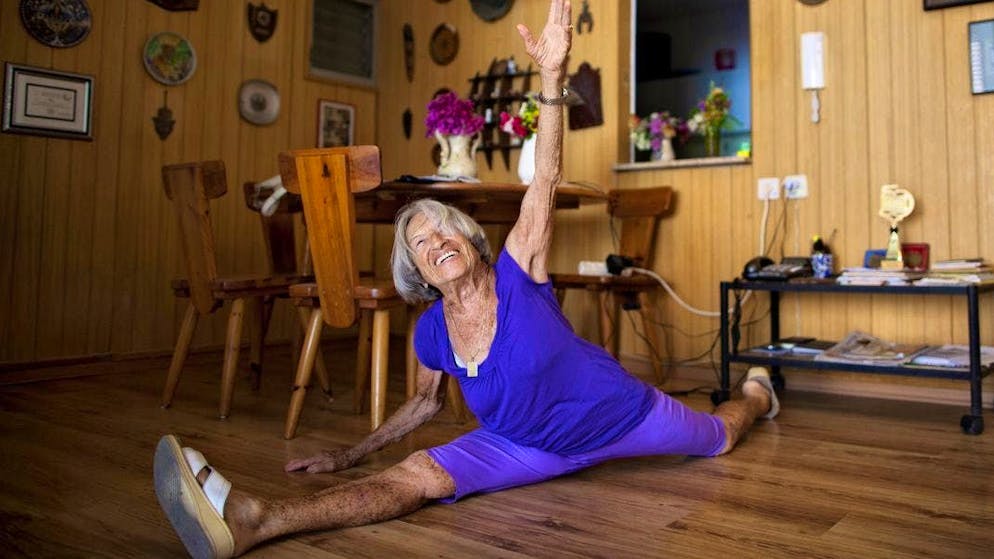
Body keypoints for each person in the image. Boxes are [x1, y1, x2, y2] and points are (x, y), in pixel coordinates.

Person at [152, 2, 779, 557]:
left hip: (623, 416)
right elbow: (424, 404)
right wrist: (349, 455)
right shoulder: (431, 332)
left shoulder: (519, 273)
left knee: (720, 437)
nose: (437, 243)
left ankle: (756, 393)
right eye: (421, 243)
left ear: (474, 243)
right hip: (522, 445)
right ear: (417, 271)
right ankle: (253, 520)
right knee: (416, 476)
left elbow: (544, 179)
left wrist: (552, 78)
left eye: (445, 230)